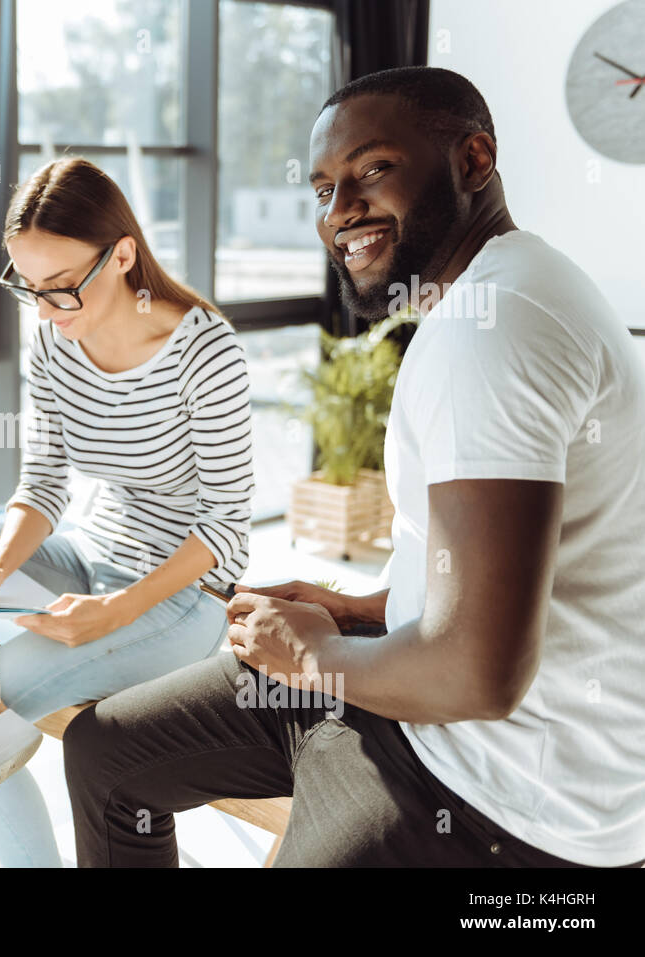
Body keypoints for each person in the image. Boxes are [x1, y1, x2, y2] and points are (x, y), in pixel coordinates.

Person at [63, 66, 645, 868]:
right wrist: (363, 610)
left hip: (490, 799)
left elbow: (479, 675)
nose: (340, 213)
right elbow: (493, 577)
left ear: (474, 161)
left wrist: (307, 656)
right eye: (322, 189)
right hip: (408, 704)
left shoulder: (494, 331)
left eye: (372, 171)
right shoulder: (491, 294)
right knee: (106, 751)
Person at [0, 157, 254, 866]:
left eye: (62, 288)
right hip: (85, 556)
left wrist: (118, 609)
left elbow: (225, 526)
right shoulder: (53, 340)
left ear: (123, 254)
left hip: (182, 597)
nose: (43, 311)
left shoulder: (205, 352)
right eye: (27, 287)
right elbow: (42, 483)